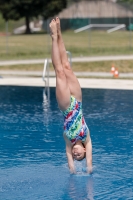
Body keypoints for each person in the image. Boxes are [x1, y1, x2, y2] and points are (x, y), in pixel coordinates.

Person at [49, 17, 92, 174]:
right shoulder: (87, 138)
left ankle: (54, 36)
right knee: (67, 66)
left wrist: (72, 168)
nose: (75, 154)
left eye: (75, 156)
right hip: (78, 100)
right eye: (79, 155)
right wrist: (88, 167)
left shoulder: (69, 140)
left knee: (60, 72)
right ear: (85, 151)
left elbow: (68, 157)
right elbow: (89, 161)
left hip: (66, 105)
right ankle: (59, 33)